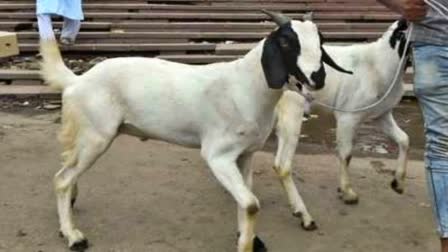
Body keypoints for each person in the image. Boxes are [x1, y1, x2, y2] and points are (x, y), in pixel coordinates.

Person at [377, 0, 448, 251]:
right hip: (437, 45)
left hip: (434, 45)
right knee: (442, 147)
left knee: (442, 147)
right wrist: (400, 5)